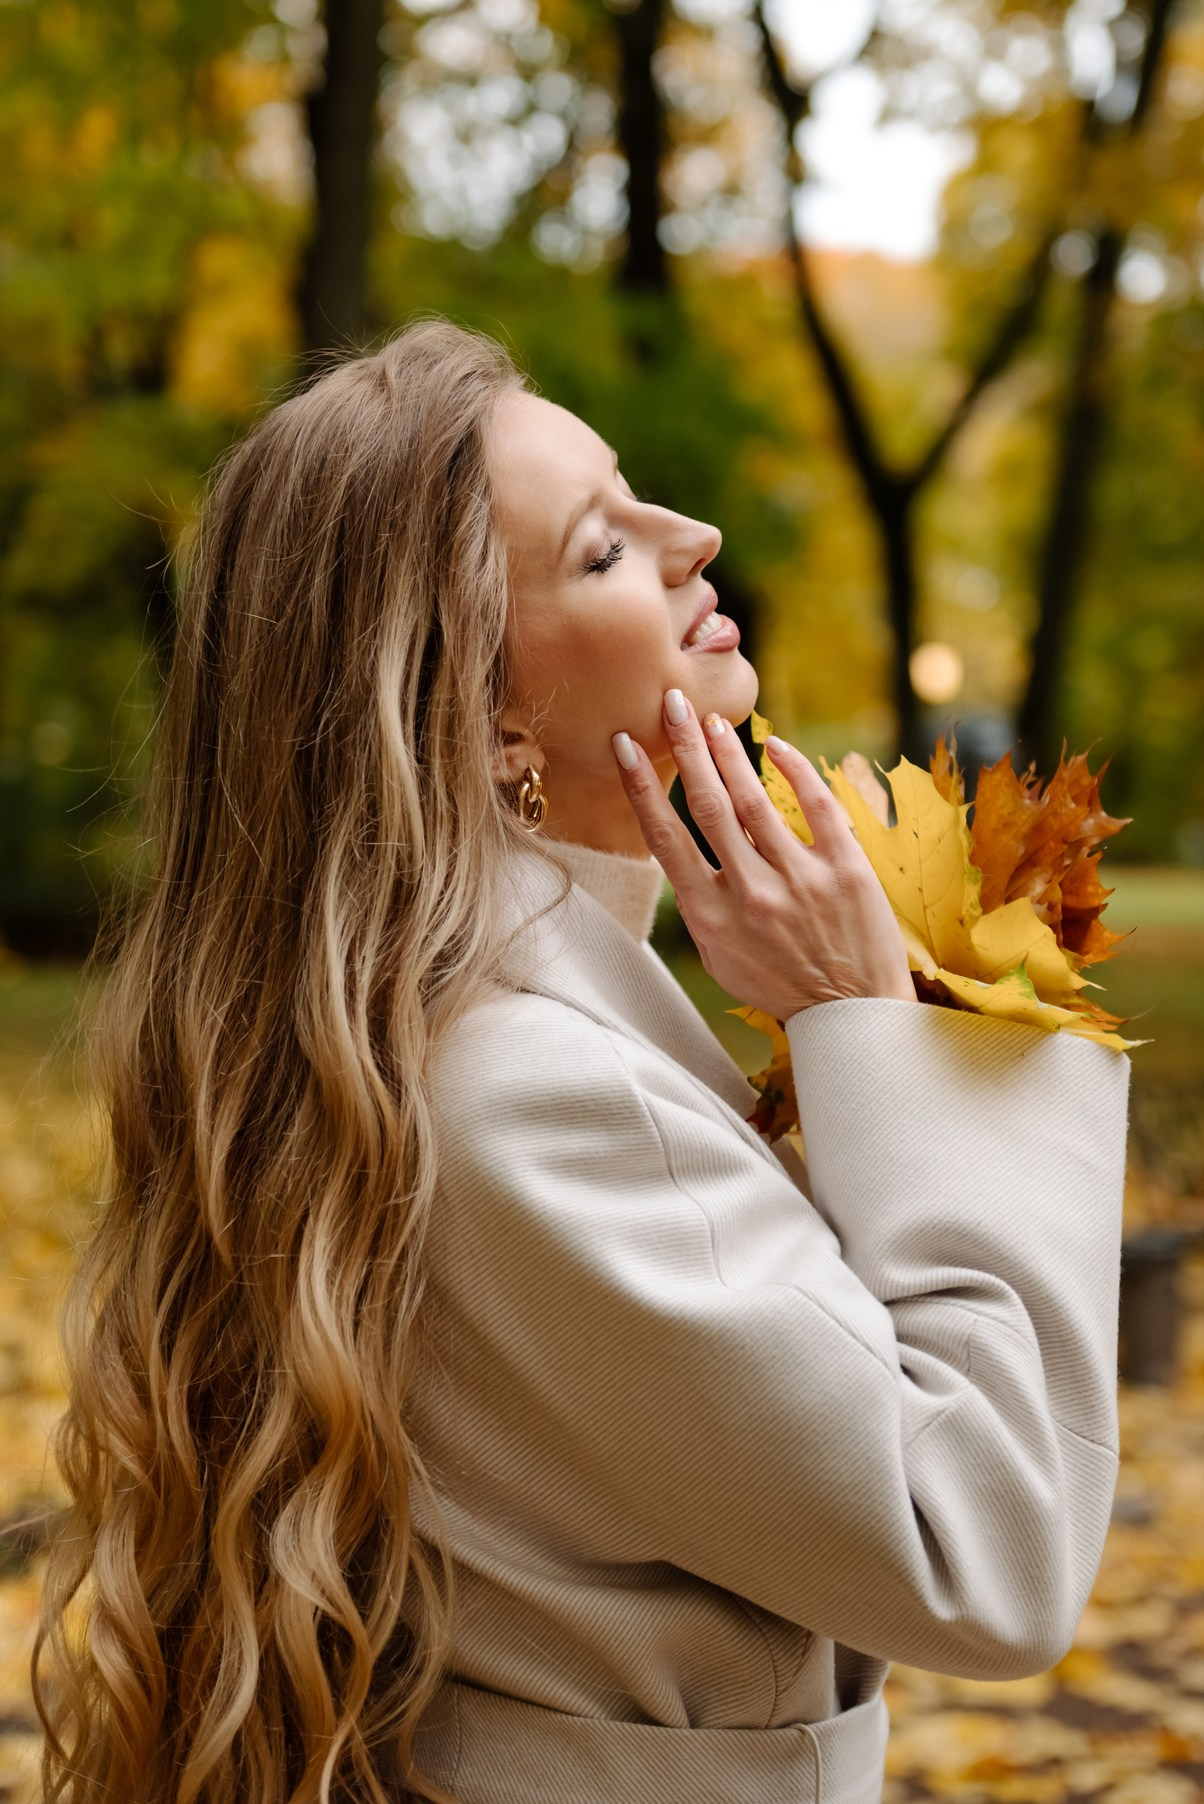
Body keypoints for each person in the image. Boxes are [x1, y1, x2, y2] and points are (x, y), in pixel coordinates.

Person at [36, 321, 1129, 1804]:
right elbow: (988, 1552)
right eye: (606, 548)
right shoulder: (538, 1091)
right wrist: (866, 1023)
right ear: (486, 717)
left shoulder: (428, 1034)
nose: (696, 540)